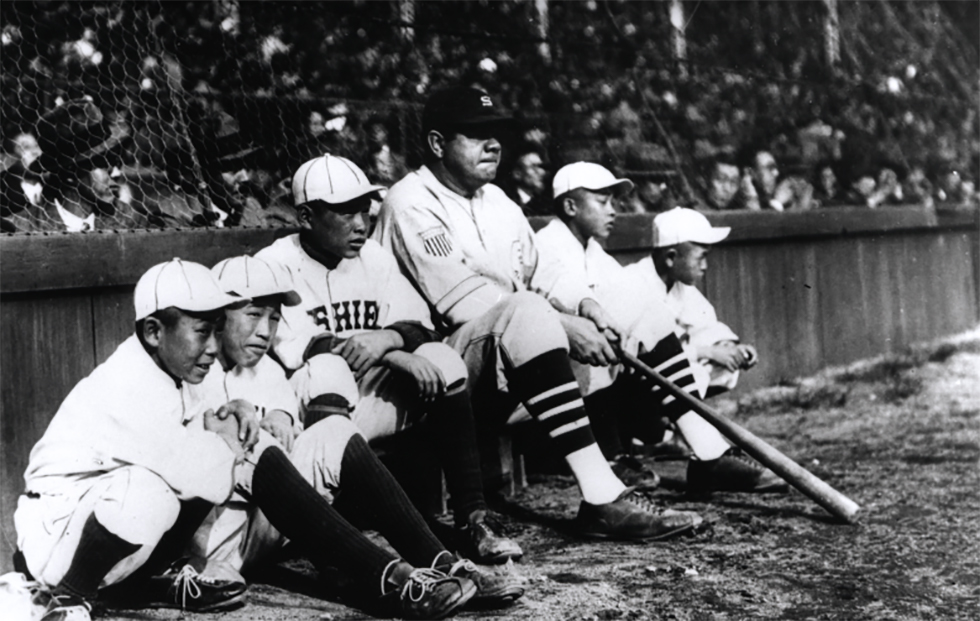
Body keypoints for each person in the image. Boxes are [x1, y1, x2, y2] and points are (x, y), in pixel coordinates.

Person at [14, 258, 480, 621]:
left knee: (329, 433)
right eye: (202, 331)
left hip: (181, 541)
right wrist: (231, 437)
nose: (214, 346)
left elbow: (213, 441)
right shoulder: (122, 384)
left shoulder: (180, 365)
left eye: (217, 329)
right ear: (154, 332)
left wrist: (236, 414)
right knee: (157, 490)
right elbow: (205, 474)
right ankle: (73, 599)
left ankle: (442, 562)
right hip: (71, 542)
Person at [373, 85, 702, 542]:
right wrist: (565, 325)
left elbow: (542, 267)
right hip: (435, 368)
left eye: (497, 134)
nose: (493, 144)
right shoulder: (410, 201)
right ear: (436, 144)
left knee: (635, 303)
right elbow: (464, 301)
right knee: (528, 309)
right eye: (475, 134)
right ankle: (602, 496)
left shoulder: (498, 201)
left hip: (510, 357)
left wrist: (584, 305)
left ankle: (708, 450)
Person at [189, 254, 523, 611]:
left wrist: (281, 418)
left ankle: (442, 563)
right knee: (247, 441)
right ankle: (394, 578)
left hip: (257, 530)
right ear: (217, 318)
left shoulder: (265, 371)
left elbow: (293, 446)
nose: (265, 331)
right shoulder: (192, 371)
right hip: (210, 541)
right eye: (253, 315)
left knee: (335, 430)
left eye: (273, 318)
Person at [254, 154, 523, 565]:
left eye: (364, 210)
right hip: (309, 408)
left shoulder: (373, 257)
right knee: (330, 368)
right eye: (345, 213)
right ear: (306, 216)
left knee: (441, 359)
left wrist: (388, 340)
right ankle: (331, 524)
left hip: (368, 396)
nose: (361, 224)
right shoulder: (274, 262)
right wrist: (395, 354)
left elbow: (421, 326)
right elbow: (304, 348)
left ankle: (473, 517)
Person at [536, 163, 786, 493]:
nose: (614, 211)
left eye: (614, 201)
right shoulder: (547, 243)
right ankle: (612, 455)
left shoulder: (593, 252)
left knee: (651, 315)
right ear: (570, 206)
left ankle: (709, 452)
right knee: (601, 335)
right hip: (543, 379)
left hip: (596, 379)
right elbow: (558, 308)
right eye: (603, 201)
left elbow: (636, 306)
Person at [500, 147, 549, 216]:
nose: (542, 172)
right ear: (517, 173)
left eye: (540, 166)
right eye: (534, 167)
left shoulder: (546, 205)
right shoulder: (503, 202)